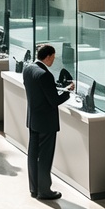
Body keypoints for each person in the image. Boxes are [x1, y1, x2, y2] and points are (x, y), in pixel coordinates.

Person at [23, 44, 74, 200]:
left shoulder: (29, 68)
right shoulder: (45, 75)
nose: (54, 60)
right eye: (53, 57)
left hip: (33, 119)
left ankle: (34, 188)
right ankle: (44, 191)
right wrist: (68, 92)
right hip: (46, 122)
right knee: (45, 157)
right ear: (48, 56)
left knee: (33, 154)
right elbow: (54, 101)